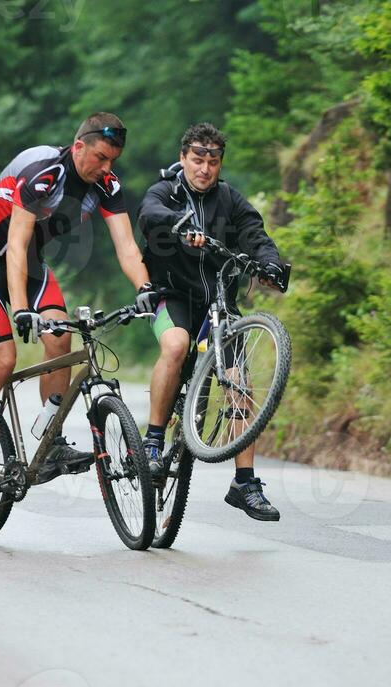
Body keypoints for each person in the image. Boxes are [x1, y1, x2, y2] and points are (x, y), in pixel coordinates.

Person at [0, 112, 157, 498]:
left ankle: (51, 439)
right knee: (3, 361)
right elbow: (17, 241)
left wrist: (144, 287)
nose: (107, 168)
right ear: (78, 147)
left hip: (29, 262)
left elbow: (126, 246)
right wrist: (22, 308)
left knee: (60, 336)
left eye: (113, 161)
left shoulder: (105, 186)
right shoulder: (45, 171)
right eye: (101, 158)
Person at [137, 122, 287, 522]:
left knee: (240, 380)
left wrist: (269, 263)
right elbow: (150, 215)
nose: (204, 168)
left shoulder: (229, 200)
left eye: (213, 161)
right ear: (184, 157)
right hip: (172, 297)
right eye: (197, 159)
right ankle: (152, 442)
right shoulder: (164, 192)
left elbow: (256, 234)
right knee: (175, 345)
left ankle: (245, 482)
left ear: (220, 164)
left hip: (219, 303)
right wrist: (179, 226)